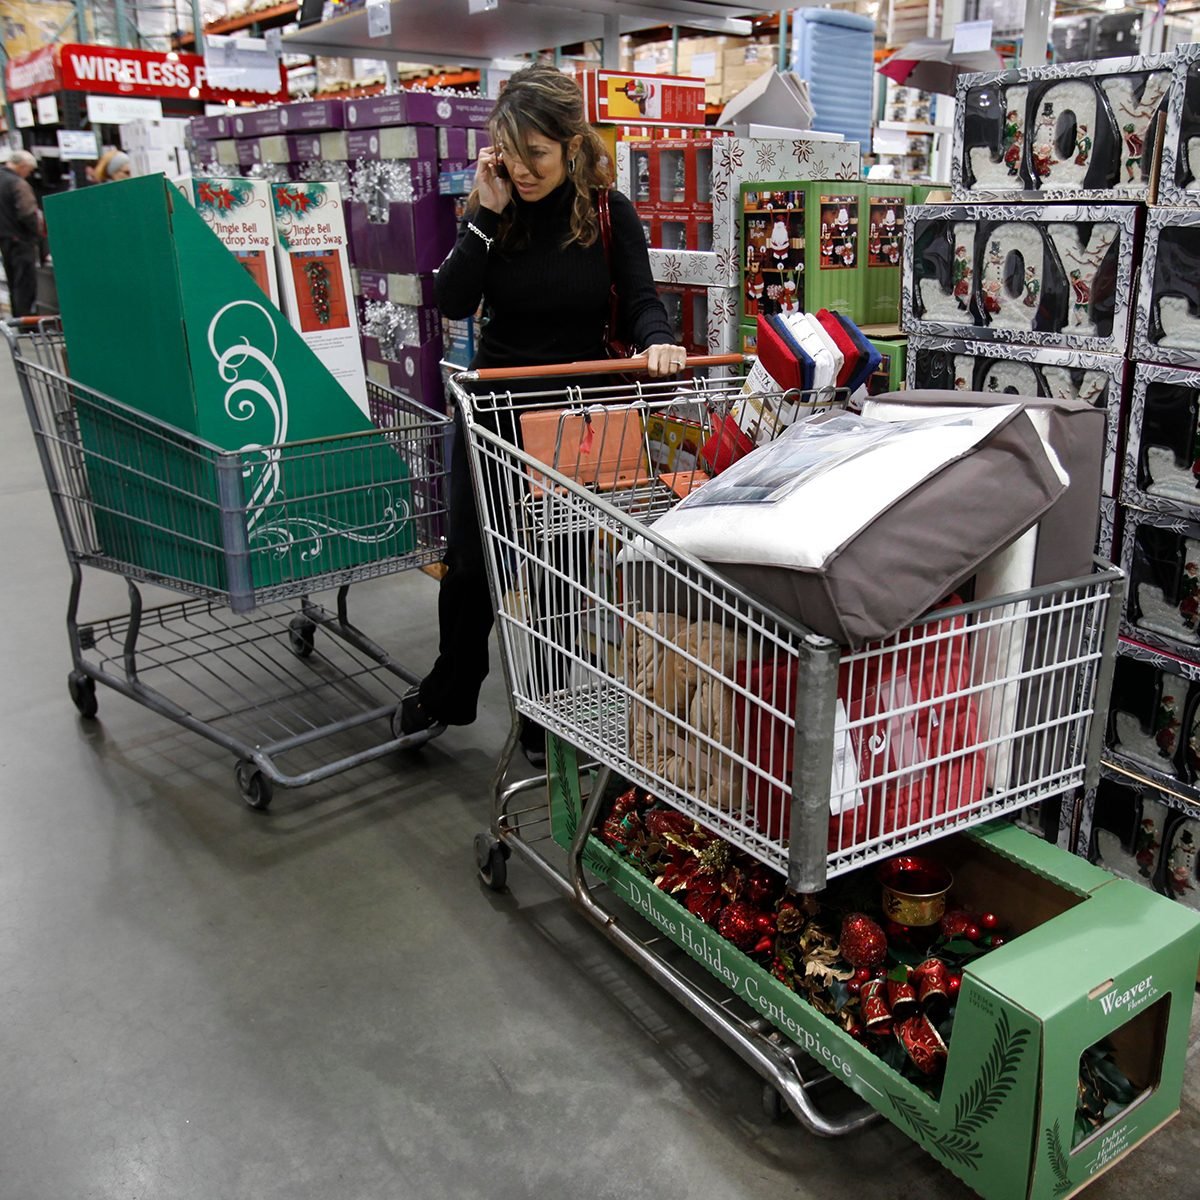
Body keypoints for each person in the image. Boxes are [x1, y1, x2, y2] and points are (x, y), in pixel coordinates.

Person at [401, 63, 687, 762]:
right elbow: (453, 300)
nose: (523, 169)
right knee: (472, 566)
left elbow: (641, 299)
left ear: (571, 145)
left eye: (537, 154)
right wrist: (484, 213)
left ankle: (546, 712)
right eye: (510, 152)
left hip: (573, 418)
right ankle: (452, 688)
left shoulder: (609, 212)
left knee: (559, 572)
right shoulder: (498, 207)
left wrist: (659, 341)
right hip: (495, 412)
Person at [0, 149, 43, 318]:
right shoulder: (18, 183)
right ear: (22, 166)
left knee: (13, 282)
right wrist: (37, 234)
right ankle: (26, 321)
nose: (29, 174)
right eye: (29, 170)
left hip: (5, 239)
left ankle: (17, 319)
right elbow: (27, 213)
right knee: (25, 283)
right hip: (21, 240)